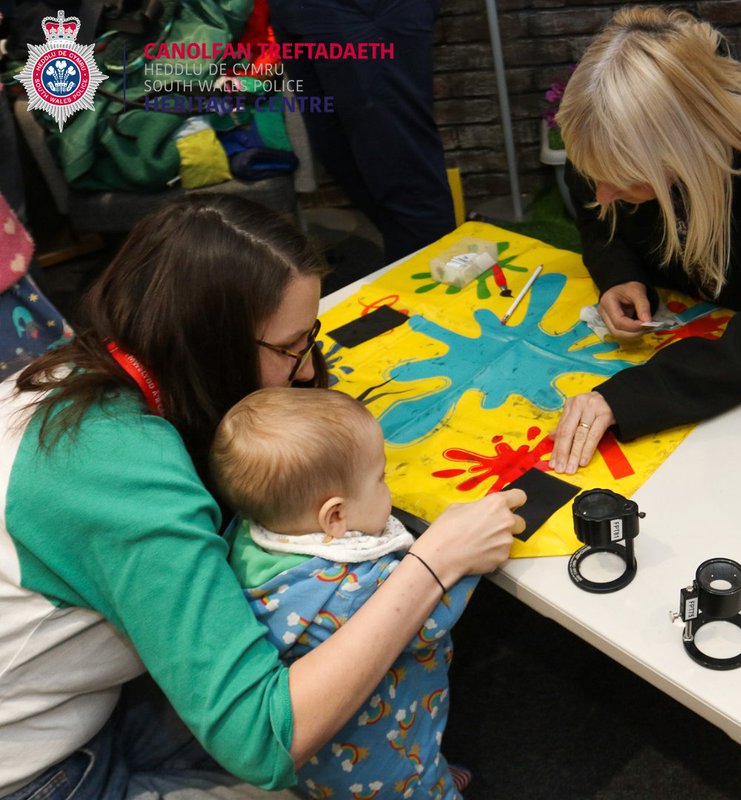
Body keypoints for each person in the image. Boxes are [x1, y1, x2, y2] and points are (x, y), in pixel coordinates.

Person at [0, 193, 526, 799]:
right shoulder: (121, 473)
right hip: (41, 771)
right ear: (213, 343)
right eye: (289, 346)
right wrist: (435, 564)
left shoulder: (101, 375)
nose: (305, 370)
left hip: (98, 709)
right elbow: (262, 739)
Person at [548, 6, 741, 475]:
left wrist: (630, 396)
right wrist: (618, 272)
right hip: (694, 318)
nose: (603, 196)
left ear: (686, 153)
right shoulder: (608, 120)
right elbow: (597, 216)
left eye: (625, 181)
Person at [211, 387, 476, 799]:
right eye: (381, 478)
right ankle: (433, 782)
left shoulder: (250, 536)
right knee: (417, 783)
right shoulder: (357, 586)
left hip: (326, 760)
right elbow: (436, 609)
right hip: (383, 754)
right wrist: (464, 546)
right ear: (335, 516)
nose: (388, 487)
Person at [267, 0, 456, 265]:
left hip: (364, 9)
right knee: (338, 151)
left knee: (404, 170)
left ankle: (434, 288)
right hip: (297, 12)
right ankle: (411, 266)